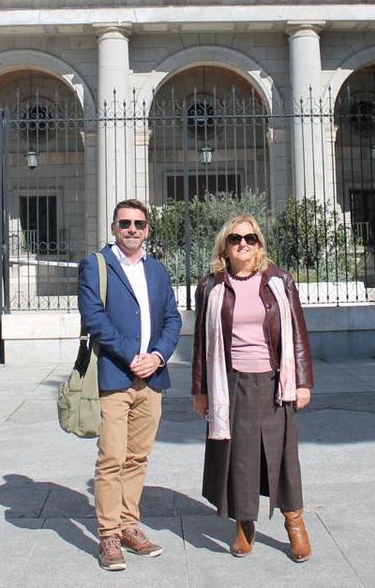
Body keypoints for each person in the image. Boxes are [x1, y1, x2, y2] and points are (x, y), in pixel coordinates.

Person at [191, 214, 315, 563]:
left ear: (259, 244)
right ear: (225, 246)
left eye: (250, 238)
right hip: (230, 381)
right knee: (240, 457)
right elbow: (201, 342)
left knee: (284, 456)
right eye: (235, 238)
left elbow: (299, 335)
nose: (243, 243)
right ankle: (245, 523)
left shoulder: (279, 282)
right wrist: (200, 391)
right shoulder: (210, 286)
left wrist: (303, 382)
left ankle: (294, 523)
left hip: (276, 381)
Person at [77, 199, 183, 571]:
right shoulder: (96, 266)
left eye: (139, 224)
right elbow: (94, 319)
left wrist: (157, 356)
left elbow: (172, 318)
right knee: (111, 458)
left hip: (151, 380)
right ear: (113, 227)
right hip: (115, 378)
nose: (132, 230)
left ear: (148, 229)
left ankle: (128, 525)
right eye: (125, 224)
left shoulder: (157, 270)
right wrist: (130, 356)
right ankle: (108, 535)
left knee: (138, 457)